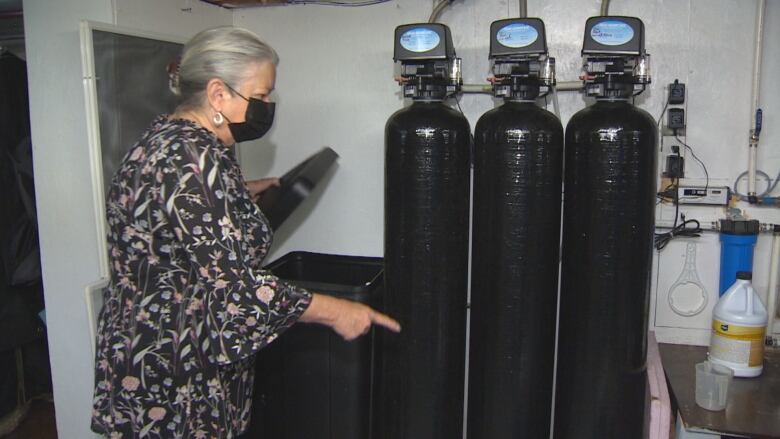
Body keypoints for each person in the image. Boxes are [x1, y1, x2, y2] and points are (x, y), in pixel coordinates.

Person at [90, 26, 400, 439]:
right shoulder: (193, 161)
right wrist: (337, 310)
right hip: (174, 365)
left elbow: (177, 225)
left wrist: (236, 193)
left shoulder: (169, 139)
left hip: (148, 342)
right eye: (261, 95)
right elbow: (235, 289)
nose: (267, 105)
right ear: (219, 94)